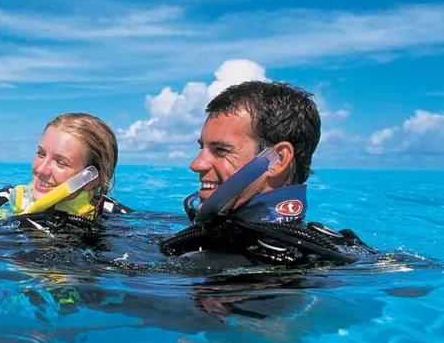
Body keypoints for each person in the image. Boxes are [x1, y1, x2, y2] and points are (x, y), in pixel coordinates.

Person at [158, 80, 375, 270]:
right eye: (202, 148)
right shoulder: (336, 249)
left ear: (277, 161)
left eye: (221, 150)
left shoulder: (205, 269)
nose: (196, 164)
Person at [0, 112, 132, 231]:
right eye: (41, 154)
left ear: (91, 178)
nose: (41, 169)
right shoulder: (3, 201)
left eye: (61, 162)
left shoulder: (116, 216)